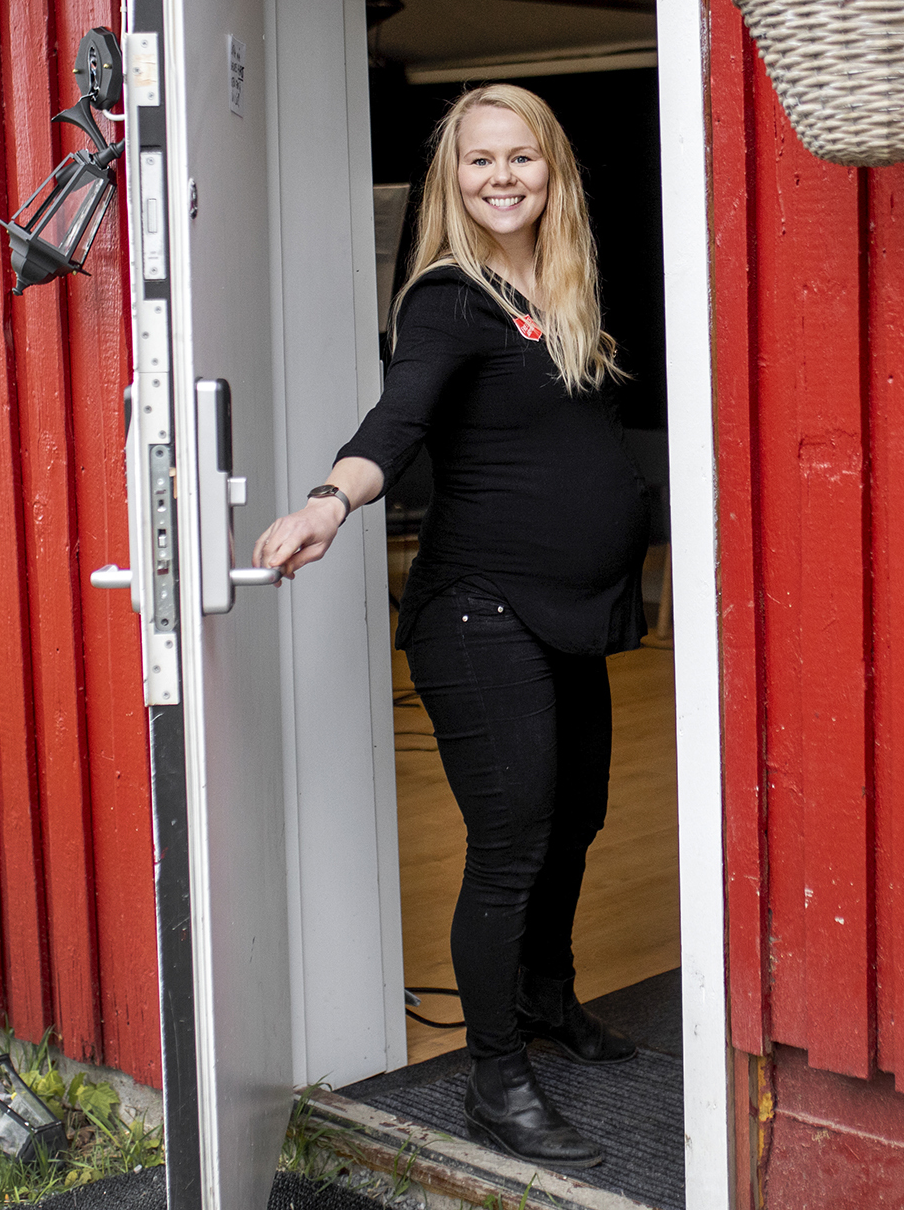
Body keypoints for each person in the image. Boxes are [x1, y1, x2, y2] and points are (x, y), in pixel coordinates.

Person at [252, 83, 647, 1170]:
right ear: (452, 179)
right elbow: (403, 413)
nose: (501, 177)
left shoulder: (561, 292)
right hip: (479, 613)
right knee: (515, 842)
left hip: (561, 610)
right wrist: (333, 499)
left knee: (577, 819)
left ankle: (546, 999)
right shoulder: (448, 298)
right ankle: (494, 1078)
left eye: (521, 158)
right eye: (480, 161)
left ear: (550, 171)